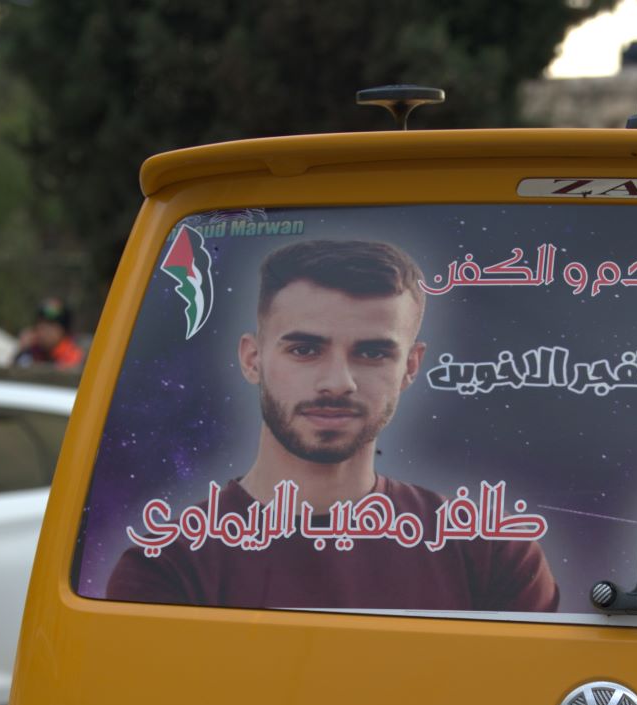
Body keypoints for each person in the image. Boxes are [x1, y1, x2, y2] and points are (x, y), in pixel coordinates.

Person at [106, 238, 560, 612]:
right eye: (305, 350)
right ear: (252, 358)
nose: (337, 382)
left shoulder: (492, 555)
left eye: (373, 352)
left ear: (411, 365)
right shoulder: (166, 566)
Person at [12, 298, 84, 369]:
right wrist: (22, 350)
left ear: (63, 330)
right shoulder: (30, 352)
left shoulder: (73, 356)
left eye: (51, 324)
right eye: (41, 323)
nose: (44, 329)